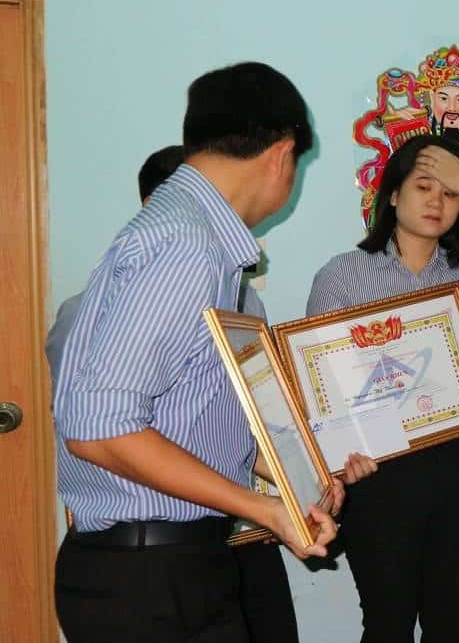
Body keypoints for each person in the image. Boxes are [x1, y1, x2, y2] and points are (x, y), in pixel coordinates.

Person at [52, 62, 339, 643]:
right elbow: (99, 428)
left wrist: (295, 480)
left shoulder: (184, 233)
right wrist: (263, 509)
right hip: (152, 577)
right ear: (281, 154)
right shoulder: (187, 245)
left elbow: (188, 413)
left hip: (160, 568)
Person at [306, 133, 459, 643]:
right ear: (392, 194)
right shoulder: (342, 274)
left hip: (457, 466)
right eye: (424, 187)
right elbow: (321, 383)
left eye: (449, 193)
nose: (437, 202)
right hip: (377, 473)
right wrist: (342, 454)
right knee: (386, 625)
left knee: (448, 628)